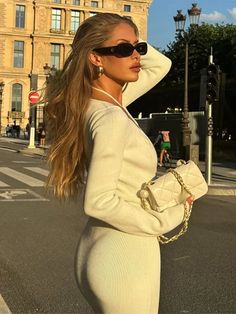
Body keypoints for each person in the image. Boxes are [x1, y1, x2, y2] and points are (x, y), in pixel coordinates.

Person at [45, 13, 194, 314]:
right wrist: (166, 219)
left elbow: (162, 65)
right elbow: (99, 202)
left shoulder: (103, 102)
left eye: (138, 47)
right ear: (96, 57)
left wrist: (130, 40)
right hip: (124, 255)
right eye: (124, 49)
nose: (136, 55)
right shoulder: (110, 117)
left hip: (101, 247)